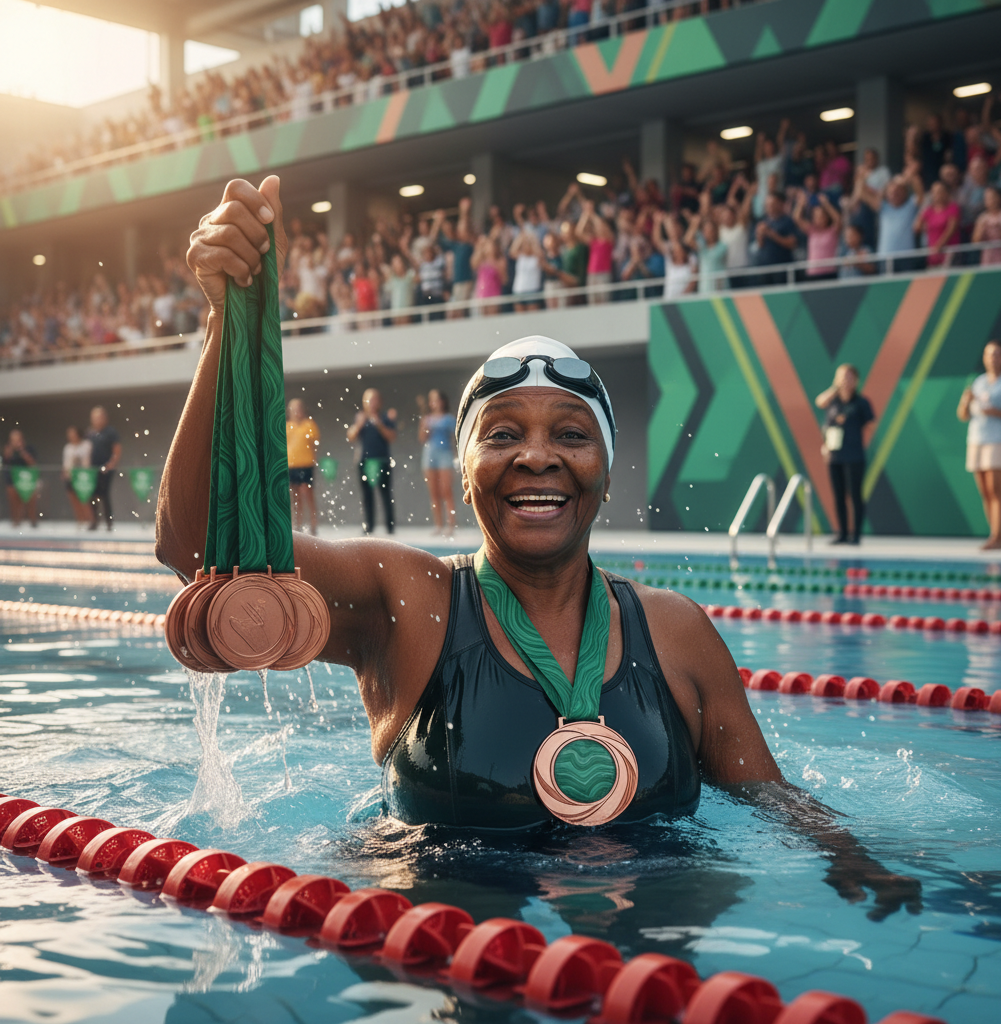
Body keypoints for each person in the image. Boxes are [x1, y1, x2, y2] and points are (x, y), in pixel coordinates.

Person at [157, 175, 922, 920]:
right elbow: (197, 546)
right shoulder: (411, 603)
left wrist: (854, 856)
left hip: (652, 961)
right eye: (502, 435)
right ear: (462, 475)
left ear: (605, 471)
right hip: (459, 949)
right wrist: (227, 324)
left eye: (570, 434)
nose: (537, 457)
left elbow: (767, 796)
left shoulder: (676, 631)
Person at [957, 340, 1001, 550]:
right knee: (985, 491)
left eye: (996, 354)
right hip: (977, 439)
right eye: (988, 354)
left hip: (1000, 440)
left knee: (996, 489)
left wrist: (996, 412)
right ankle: (994, 533)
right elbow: (963, 415)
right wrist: (966, 401)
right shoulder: (978, 382)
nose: (992, 358)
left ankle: (998, 535)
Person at [815, 365, 874, 546]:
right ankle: (841, 533)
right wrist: (835, 388)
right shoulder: (834, 402)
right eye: (841, 377)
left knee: (855, 495)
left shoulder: (860, 402)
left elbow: (871, 424)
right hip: (835, 455)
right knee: (838, 495)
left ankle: (855, 534)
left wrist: (856, 441)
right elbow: (820, 401)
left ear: (856, 380)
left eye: (849, 377)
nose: (845, 381)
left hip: (854, 455)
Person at [346, 387, 397, 535]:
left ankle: (390, 526)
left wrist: (379, 423)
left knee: (385, 494)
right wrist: (359, 424)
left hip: (382, 461)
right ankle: (369, 526)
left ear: (380, 402)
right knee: (367, 495)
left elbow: (392, 437)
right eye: (368, 400)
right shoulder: (360, 418)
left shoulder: (385, 418)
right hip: (365, 462)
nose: (371, 403)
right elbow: (350, 436)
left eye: (374, 399)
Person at [418, 389, 458, 536]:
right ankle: (438, 525)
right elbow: (422, 439)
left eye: (436, 399)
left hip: (445, 455)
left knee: (446, 490)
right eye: (431, 400)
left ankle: (451, 525)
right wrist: (424, 427)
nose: (433, 403)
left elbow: (456, 437)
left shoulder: (449, 418)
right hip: (429, 455)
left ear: (442, 401)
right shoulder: (426, 419)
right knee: (433, 492)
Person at [286, 398, 319, 535]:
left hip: (306, 464)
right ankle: (297, 524)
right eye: (294, 409)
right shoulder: (287, 426)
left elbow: (315, 441)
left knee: (307, 493)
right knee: (295, 496)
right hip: (291, 464)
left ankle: (313, 523)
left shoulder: (309, 424)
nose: (297, 412)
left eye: (299, 409)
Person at [87, 406, 120, 531]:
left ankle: (109, 523)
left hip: (106, 470)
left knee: (104, 495)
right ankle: (94, 521)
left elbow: (117, 450)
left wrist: (111, 464)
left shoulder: (111, 432)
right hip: (92, 471)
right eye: (95, 418)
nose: (97, 420)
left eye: (99, 417)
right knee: (91, 494)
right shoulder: (90, 433)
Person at [914, 180, 961, 267]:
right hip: (933, 255)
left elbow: (951, 229)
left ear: (947, 193)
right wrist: (924, 206)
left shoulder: (952, 207)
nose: (937, 194)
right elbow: (916, 227)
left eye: (940, 191)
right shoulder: (929, 210)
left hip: (949, 254)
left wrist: (939, 246)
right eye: (934, 192)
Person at [972, 186, 1001, 265]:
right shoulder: (982, 218)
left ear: (1000, 198)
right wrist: (983, 230)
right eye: (987, 198)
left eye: (993, 197)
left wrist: (999, 228)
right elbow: (976, 242)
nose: (991, 200)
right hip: (988, 256)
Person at [2, 429, 38, 527]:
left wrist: (22, 450)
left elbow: (32, 463)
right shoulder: (8, 449)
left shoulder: (28, 449)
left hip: (27, 479)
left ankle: (33, 520)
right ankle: (16, 520)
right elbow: (5, 461)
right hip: (12, 479)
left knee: (30, 499)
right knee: (14, 501)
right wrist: (9, 451)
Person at [62, 425, 93, 525]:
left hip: (83, 477)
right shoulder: (67, 447)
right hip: (71, 476)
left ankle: (89, 520)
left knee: (85, 499)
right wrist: (65, 473)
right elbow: (66, 463)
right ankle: (80, 520)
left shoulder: (86, 445)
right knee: (74, 500)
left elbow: (87, 460)